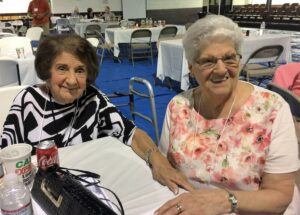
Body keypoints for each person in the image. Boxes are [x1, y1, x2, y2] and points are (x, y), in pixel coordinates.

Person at [0, 34, 193, 194]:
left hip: (83, 191)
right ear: (47, 70)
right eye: (62, 68)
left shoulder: (92, 98)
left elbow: (131, 133)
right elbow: (6, 154)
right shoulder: (28, 100)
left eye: (80, 70)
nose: (72, 80)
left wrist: (158, 160)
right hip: (38, 191)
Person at [155, 15, 300, 214]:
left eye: (230, 58)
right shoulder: (179, 106)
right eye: (208, 61)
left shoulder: (272, 109)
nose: (221, 69)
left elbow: (280, 197)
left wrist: (225, 201)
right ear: (190, 67)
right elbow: (167, 168)